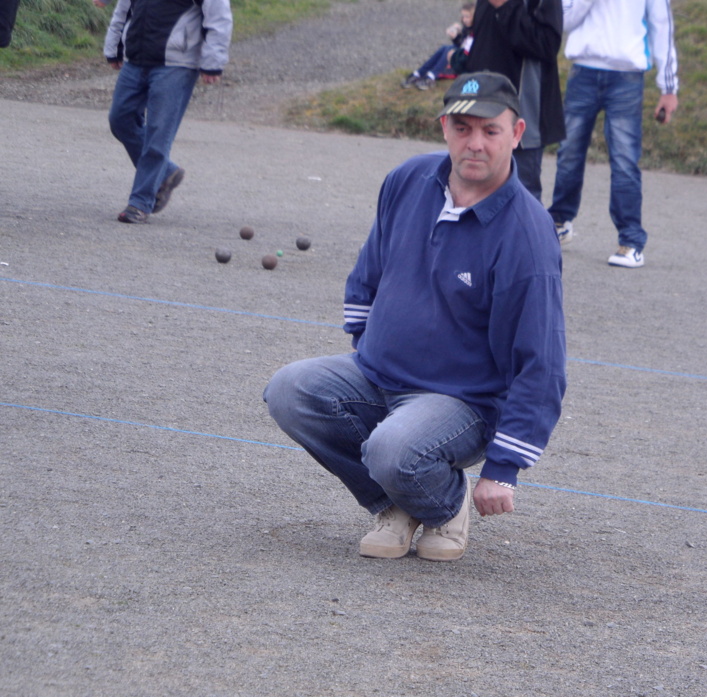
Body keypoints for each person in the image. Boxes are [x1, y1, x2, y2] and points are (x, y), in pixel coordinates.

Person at [264, 72, 566, 563]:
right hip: (379, 373)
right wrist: (369, 344)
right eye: (463, 128)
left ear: (516, 134)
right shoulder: (408, 180)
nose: (475, 143)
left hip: (462, 400)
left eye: (490, 131)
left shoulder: (527, 235)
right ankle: (396, 506)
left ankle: (447, 506)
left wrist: (503, 467)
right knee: (290, 390)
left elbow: (542, 361)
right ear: (444, 126)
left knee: (393, 447)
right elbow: (371, 267)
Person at [548, 0, 679, 268]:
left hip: (626, 76)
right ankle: (559, 223)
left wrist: (668, 87)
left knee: (624, 161)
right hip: (582, 71)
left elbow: (661, 26)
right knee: (568, 153)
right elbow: (562, 21)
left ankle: (631, 241)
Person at [103, 0, 232, 224]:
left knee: (158, 134)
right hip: (135, 60)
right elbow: (123, 9)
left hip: (177, 64)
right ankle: (166, 172)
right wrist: (114, 47)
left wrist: (213, 61)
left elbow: (218, 16)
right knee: (120, 120)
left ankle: (140, 203)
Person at [451, 0, 564, 202]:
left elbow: (546, 45)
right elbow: (482, 45)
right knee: (471, 193)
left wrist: (504, 6)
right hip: (475, 106)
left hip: (519, 114)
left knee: (520, 197)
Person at [401, 1, 474, 91]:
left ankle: (431, 77)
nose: (464, 19)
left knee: (449, 49)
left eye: (467, 17)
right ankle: (418, 74)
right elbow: (461, 45)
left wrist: (457, 41)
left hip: (465, 64)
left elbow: (466, 50)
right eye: (463, 16)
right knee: (445, 47)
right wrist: (455, 37)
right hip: (460, 58)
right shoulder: (467, 28)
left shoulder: (475, 30)